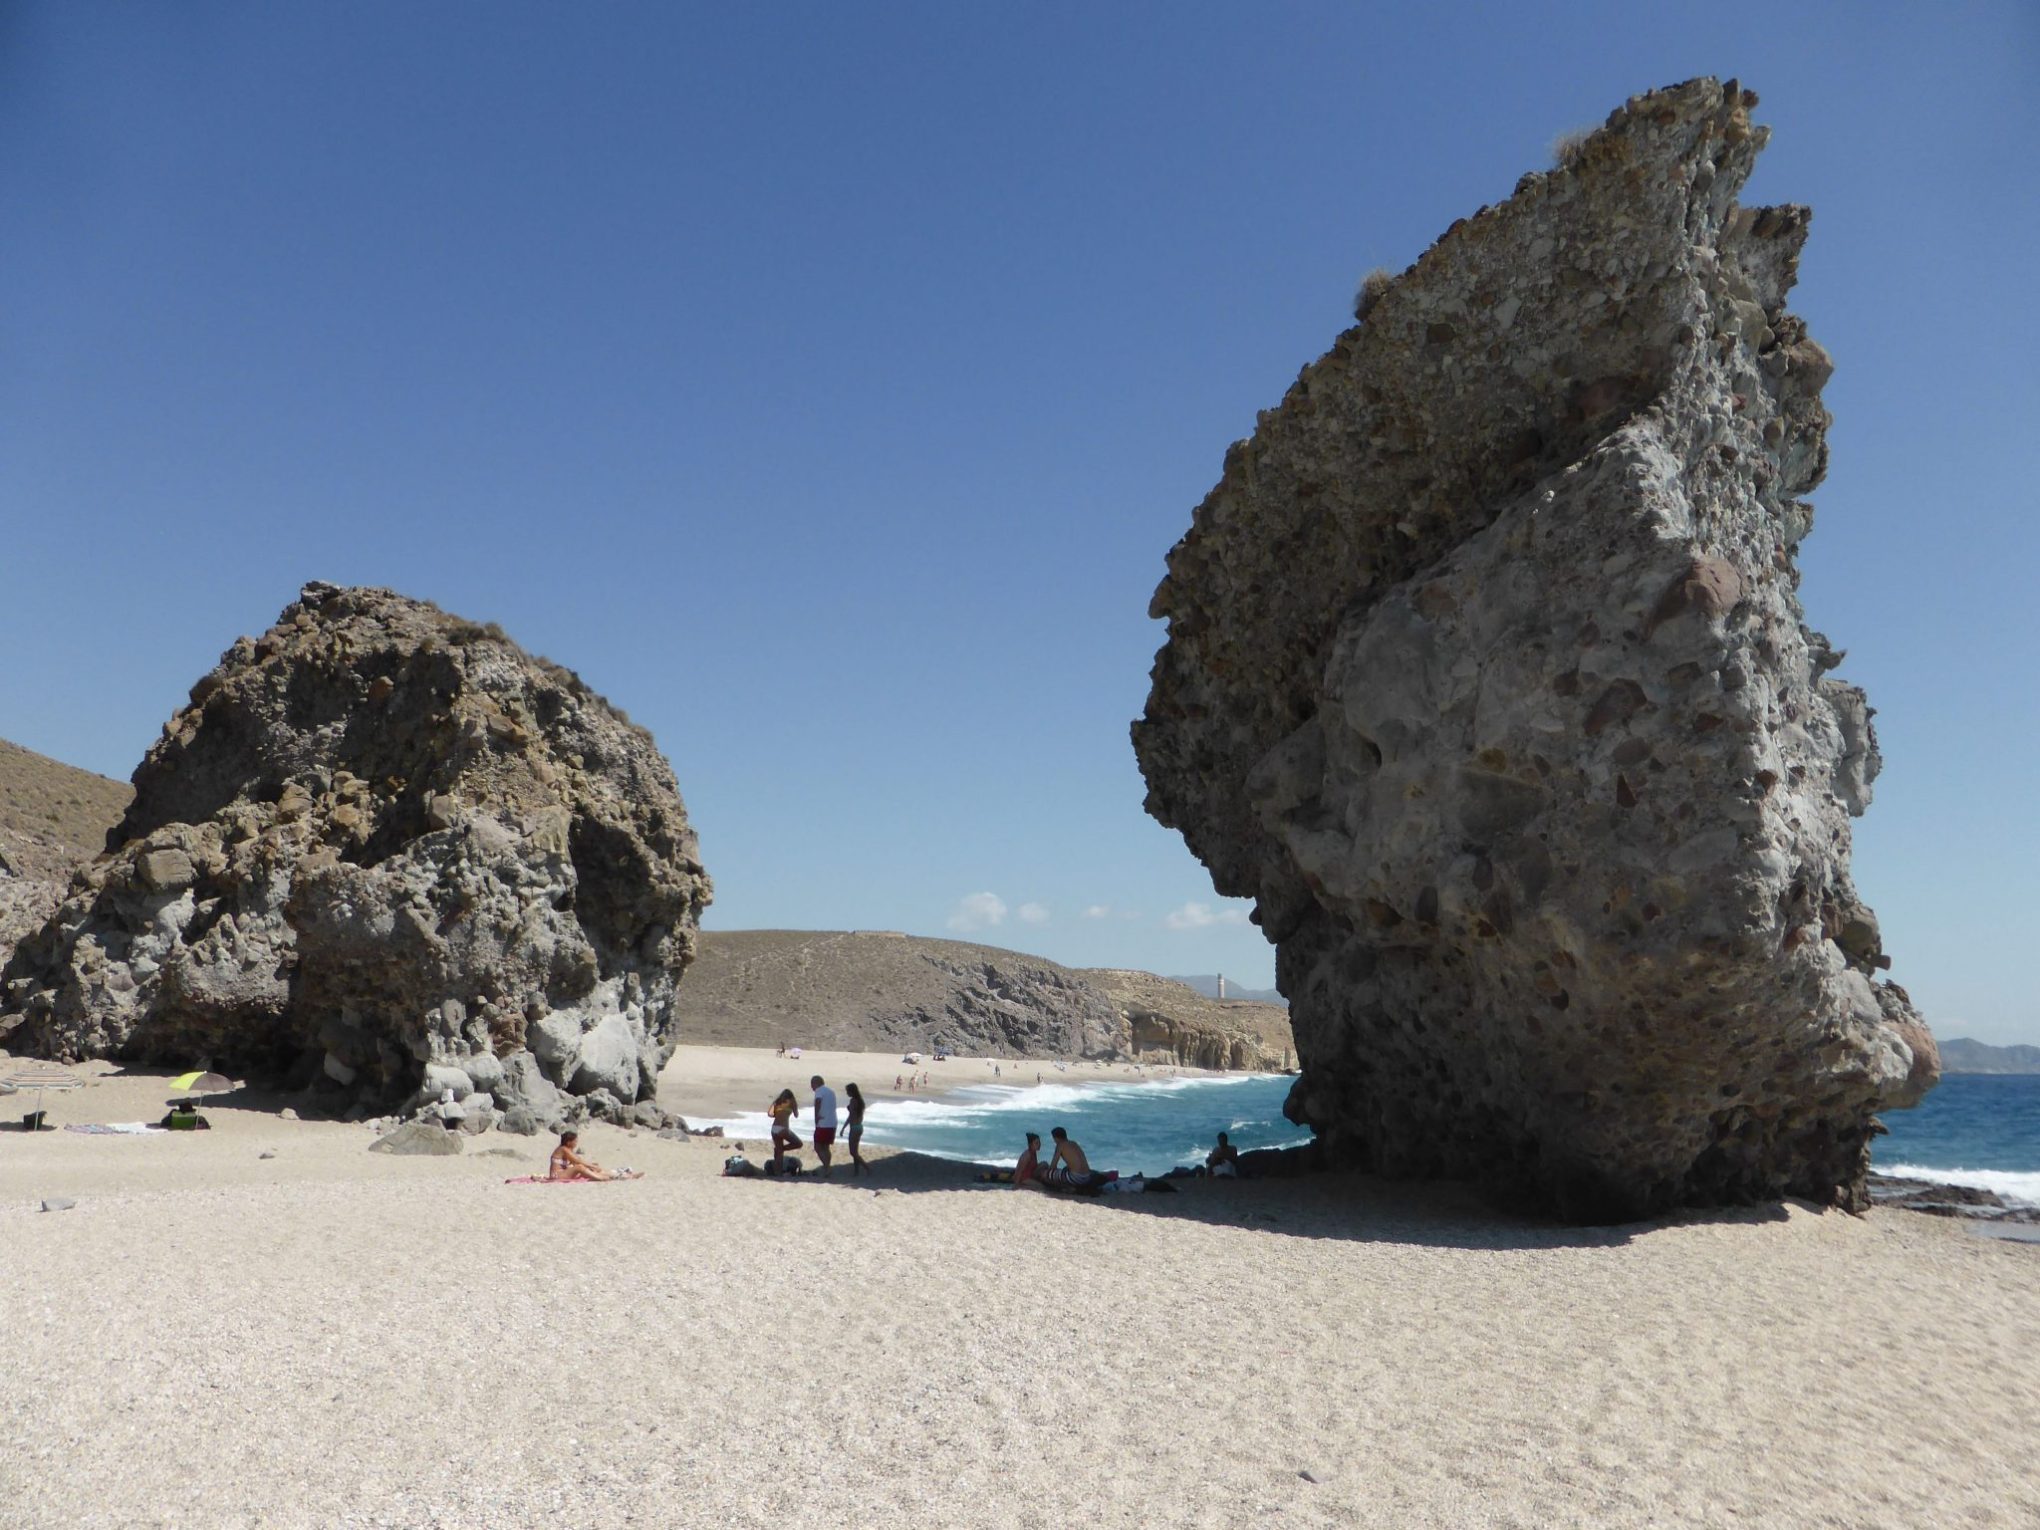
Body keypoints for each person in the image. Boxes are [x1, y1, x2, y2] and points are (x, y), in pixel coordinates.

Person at [549, 1129, 638, 1181]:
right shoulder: (563, 1149)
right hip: (557, 1175)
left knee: (588, 1167)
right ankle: (600, 1178)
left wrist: (592, 1166)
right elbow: (578, 1161)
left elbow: (575, 1161)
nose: (576, 1143)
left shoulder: (567, 1150)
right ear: (569, 1142)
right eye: (575, 1141)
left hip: (564, 1173)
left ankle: (619, 1175)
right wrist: (592, 1166)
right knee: (580, 1167)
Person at [811, 1075, 839, 1176]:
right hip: (832, 1122)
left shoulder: (819, 1091)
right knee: (826, 1147)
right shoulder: (831, 1091)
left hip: (823, 1123)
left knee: (818, 1146)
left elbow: (818, 1101)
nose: (811, 1087)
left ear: (816, 1083)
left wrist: (816, 1116)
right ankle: (827, 1167)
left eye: (812, 1084)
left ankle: (827, 1167)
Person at [769, 1087, 801, 1171]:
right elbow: (796, 1115)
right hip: (783, 1128)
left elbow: (770, 1114)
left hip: (774, 1128)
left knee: (779, 1152)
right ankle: (781, 1148)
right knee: (798, 1143)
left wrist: (778, 1114)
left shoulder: (777, 1102)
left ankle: (778, 1173)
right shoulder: (792, 1102)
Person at [844, 1082, 868, 1177]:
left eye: (847, 1091)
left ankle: (867, 1168)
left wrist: (843, 1128)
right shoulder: (860, 1101)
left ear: (851, 1091)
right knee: (855, 1151)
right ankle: (856, 1171)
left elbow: (851, 1116)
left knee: (852, 1152)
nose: (847, 1093)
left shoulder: (853, 1101)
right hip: (859, 1127)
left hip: (854, 1128)